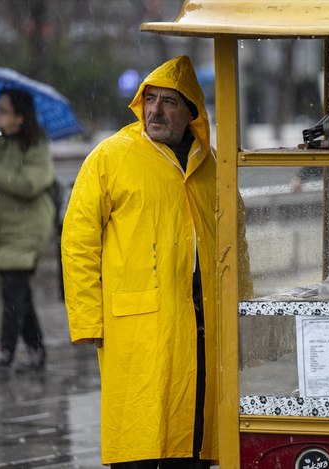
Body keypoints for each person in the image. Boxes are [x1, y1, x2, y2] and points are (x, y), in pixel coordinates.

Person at [62, 55, 252, 468]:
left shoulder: (211, 165)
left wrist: (246, 313)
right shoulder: (111, 157)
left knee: (197, 438)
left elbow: (235, 242)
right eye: (151, 100)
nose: (156, 111)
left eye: (169, 102)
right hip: (137, 328)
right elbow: (78, 240)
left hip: (204, 326)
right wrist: (87, 318)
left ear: (190, 112)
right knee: (142, 438)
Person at [0, 88, 55, 374]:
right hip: (5, 227)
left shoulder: (36, 145)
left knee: (13, 289)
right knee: (19, 291)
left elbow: (31, 184)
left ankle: (5, 350)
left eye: (3, 111)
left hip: (28, 227)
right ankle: (36, 349)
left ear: (20, 117)